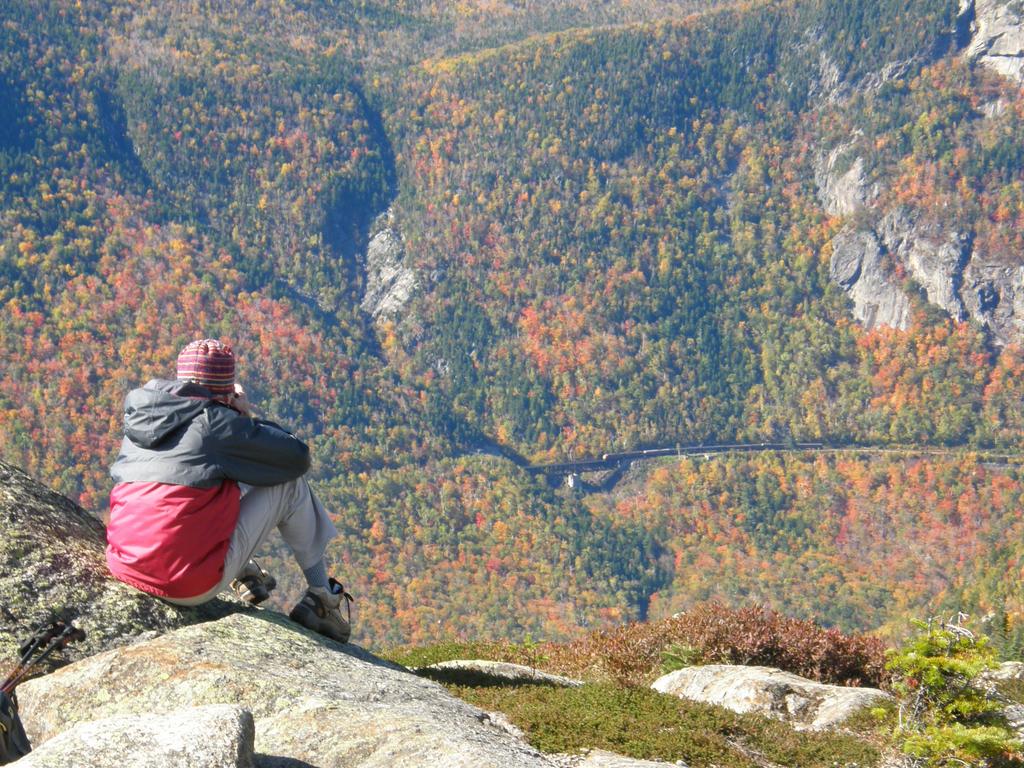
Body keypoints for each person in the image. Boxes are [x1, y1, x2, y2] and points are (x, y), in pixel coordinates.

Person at [105, 338, 352, 642]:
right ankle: (323, 599)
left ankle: (245, 573)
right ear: (225, 390)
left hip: (124, 562)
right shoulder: (217, 424)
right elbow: (295, 458)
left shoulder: (144, 415)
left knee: (202, 486)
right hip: (185, 584)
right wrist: (245, 417)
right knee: (288, 485)